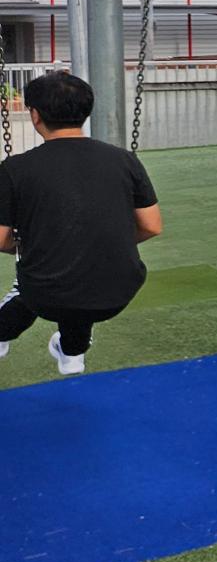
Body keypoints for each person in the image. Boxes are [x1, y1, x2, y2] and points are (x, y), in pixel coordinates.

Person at [0, 72, 162, 376]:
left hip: (45, 295)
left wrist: (31, 245)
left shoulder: (15, 169)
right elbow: (152, 225)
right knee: (80, 278)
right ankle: (72, 352)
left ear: (35, 115)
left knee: (46, 282)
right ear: (86, 112)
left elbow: (1, 239)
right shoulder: (124, 160)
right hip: (118, 293)